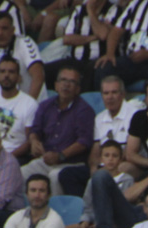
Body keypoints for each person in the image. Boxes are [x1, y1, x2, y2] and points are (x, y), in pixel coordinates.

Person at [19, 62, 93, 195]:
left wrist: (61, 155)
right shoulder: (45, 106)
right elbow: (35, 131)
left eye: (72, 82)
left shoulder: (84, 110)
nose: (66, 84)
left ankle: (55, 213)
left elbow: (84, 142)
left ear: (78, 89)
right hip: (46, 159)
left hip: (71, 162)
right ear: (56, 85)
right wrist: (34, 142)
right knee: (21, 173)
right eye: (63, 80)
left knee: (55, 176)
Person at [94, 0, 148, 90]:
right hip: (131, 60)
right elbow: (116, 31)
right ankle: (105, 102)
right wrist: (110, 54)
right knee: (104, 67)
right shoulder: (136, 4)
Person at [45, 0, 118, 91]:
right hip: (73, 60)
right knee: (44, 71)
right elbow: (67, 39)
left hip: (96, 60)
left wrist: (91, 12)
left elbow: (103, 35)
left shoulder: (113, 10)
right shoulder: (79, 10)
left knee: (89, 72)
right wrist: (94, 37)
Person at [0, 10, 44, 102]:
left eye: (4, 28)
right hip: (4, 112)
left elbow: (38, 75)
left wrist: (28, 106)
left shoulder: (25, 43)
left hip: (34, 106)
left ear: (13, 30)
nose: (0, 33)